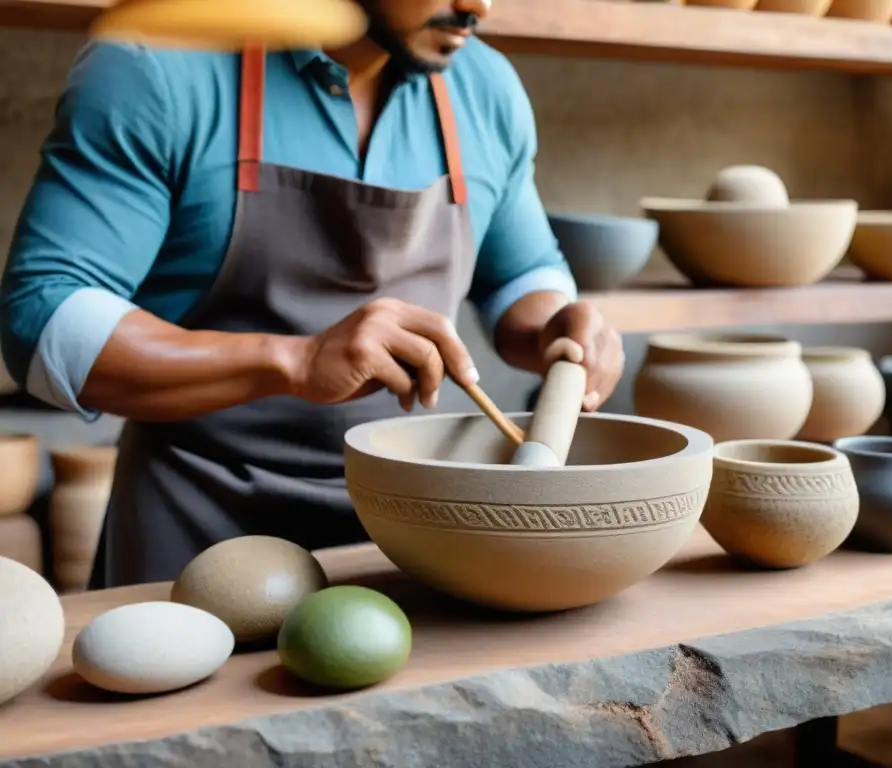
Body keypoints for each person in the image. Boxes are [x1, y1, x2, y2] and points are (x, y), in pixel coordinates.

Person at [0, 0, 625, 589]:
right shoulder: (162, 61)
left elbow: (522, 273)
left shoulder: (482, 86)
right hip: (196, 523)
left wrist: (557, 327)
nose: (480, 6)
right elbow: (44, 319)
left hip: (412, 530)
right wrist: (297, 362)